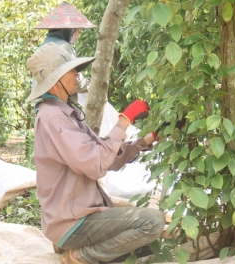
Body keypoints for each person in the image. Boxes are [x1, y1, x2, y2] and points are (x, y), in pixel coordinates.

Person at [26, 42, 165, 264]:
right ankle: (80, 256)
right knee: (153, 222)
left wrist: (148, 140)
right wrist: (124, 120)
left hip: (78, 216)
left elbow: (105, 155)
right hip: (73, 221)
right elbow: (96, 163)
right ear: (56, 78)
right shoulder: (53, 117)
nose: (76, 75)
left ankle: (70, 245)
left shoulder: (64, 113)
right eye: (71, 70)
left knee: (150, 245)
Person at [32, 1, 96, 107]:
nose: (77, 35)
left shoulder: (44, 46)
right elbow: (77, 82)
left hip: (43, 105)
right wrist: (91, 85)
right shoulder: (64, 48)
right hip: (58, 104)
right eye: (77, 31)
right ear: (70, 31)